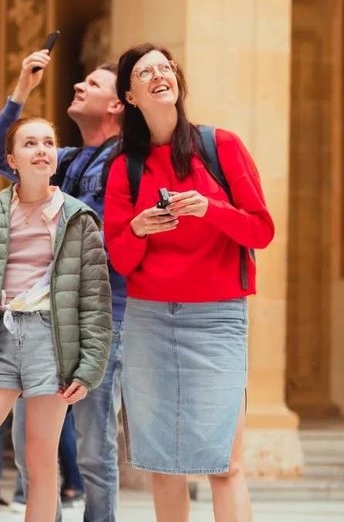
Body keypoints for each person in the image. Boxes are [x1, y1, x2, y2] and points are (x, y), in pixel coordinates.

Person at [103, 43, 274, 522]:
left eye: (165, 66)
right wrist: (137, 228)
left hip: (218, 318)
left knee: (225, 464)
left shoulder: (221, 146)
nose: (159, 74)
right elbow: (119, 257)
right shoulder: (125, 166)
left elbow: (261, 229)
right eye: (145, 71)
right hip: (149, 320)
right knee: (163, 465)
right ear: (130, 96)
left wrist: (212, 209)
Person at [0, 116, 111, 522]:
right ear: (12, 159)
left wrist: (89, 368)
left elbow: (94, 300)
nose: (41, 150)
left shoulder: (78, 217)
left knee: (40, 459)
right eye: (30, 143)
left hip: (50, 343)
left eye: (48, 143)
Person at [0, 48, 126, 520]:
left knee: (93, 442)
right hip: (45, 316)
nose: (79, 86)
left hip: (105, 312)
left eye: (93, 84)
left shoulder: (127, 160)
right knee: (32, 447)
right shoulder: (62, 158)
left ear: (117, 105)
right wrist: (23, 86)